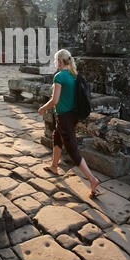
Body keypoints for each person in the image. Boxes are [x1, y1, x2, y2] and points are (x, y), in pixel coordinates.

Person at [38, 49, 101, 199]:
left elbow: (55, 100)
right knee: (57, 137)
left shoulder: (59, 77)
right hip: (72, 115)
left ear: (60, 61)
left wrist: (42, 108)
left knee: (72, 149)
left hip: (65, 116)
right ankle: (54, 166)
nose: (55, 63)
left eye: (56, 60)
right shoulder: (74, 74)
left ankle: (92, 180)